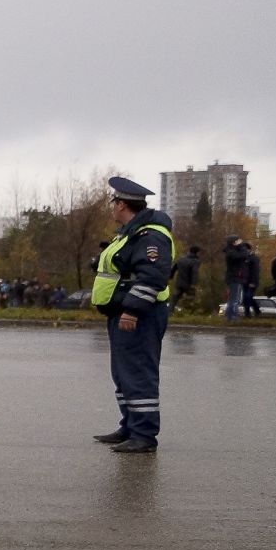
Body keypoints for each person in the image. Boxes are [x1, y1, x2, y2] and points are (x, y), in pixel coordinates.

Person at [91, 177, 175, 454]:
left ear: (123, 204)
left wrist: (132, 310)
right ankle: (130, 426)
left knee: (138, 373)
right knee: (124, 373)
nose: (112, 207)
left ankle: (144, 435)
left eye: (113, 202)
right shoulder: (129, 233)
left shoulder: (150, 235)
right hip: (122, 312)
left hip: (139, 314)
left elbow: (152, 276)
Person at [169, 245, 203, 313]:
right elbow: (194, 273)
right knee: (191, 299)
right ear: (197, 252)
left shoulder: (181, 259)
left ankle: (170, 312)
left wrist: (170, 277)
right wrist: (193, 284)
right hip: (189, 284)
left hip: (179, 283)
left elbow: (173, 268)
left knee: (174, 299)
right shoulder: (195, 261)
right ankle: (190, 314)